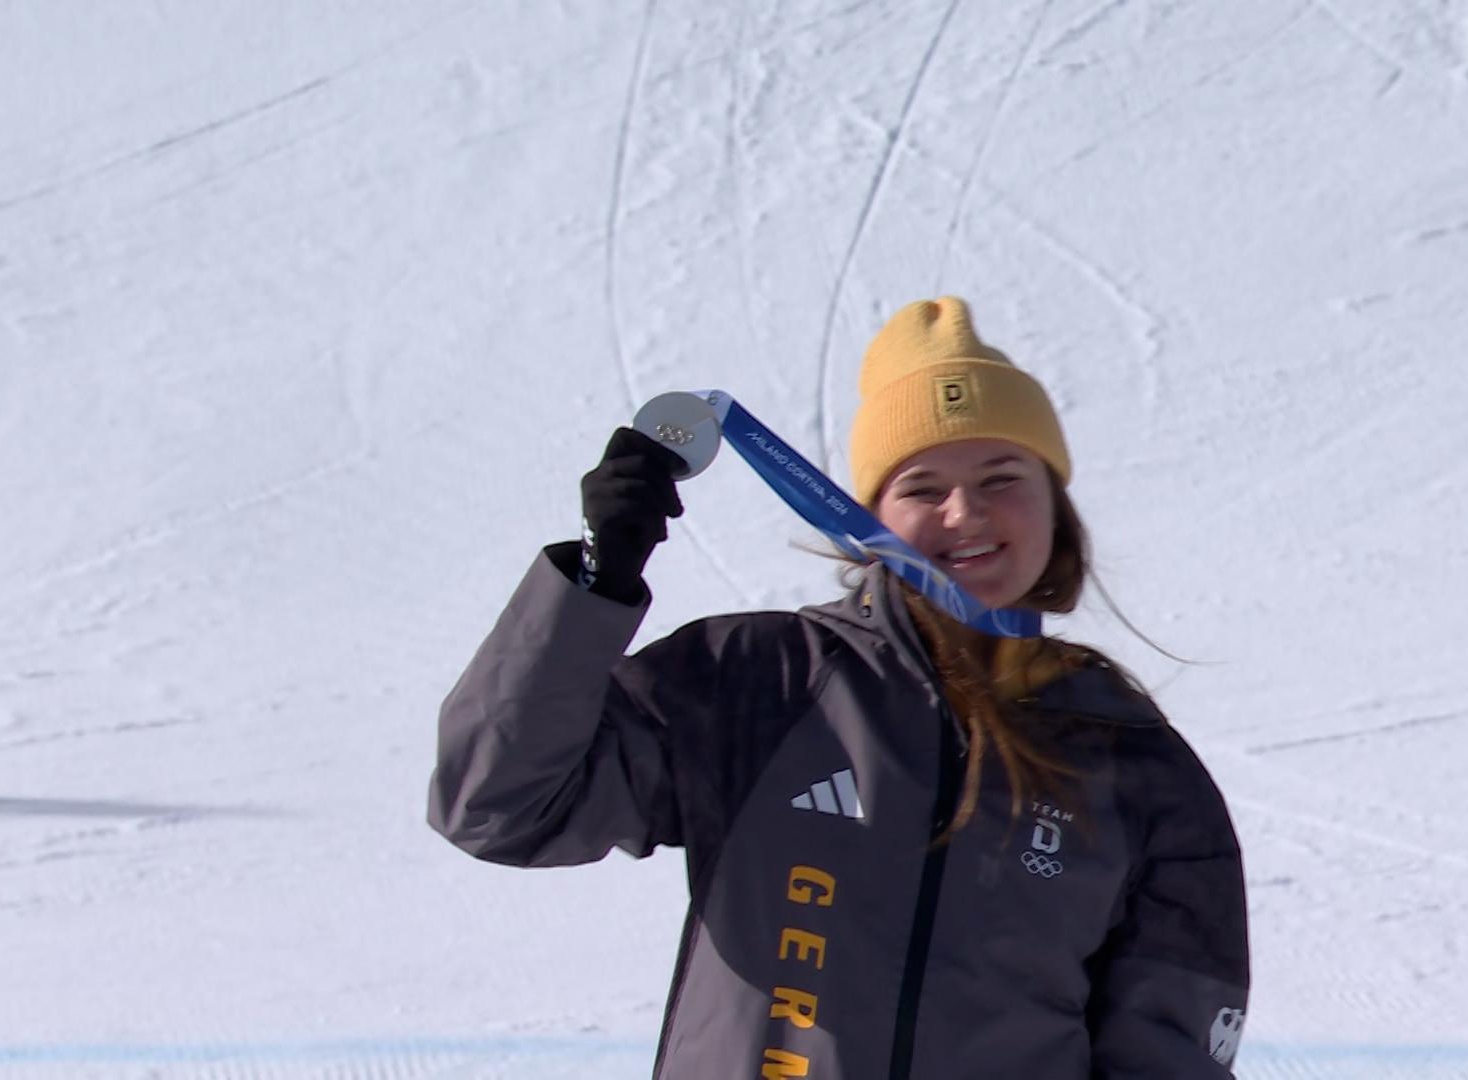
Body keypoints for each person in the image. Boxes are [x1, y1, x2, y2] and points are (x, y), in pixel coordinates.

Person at [429, 297, 1251, 1078]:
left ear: (1056, 513)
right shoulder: (762, 682)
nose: (964, 513)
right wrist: (596, 585)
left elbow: (1168, 1049)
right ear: (868, 521)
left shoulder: (1137, 767)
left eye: (1003, 478)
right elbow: (499, 806)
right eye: (922, 488)